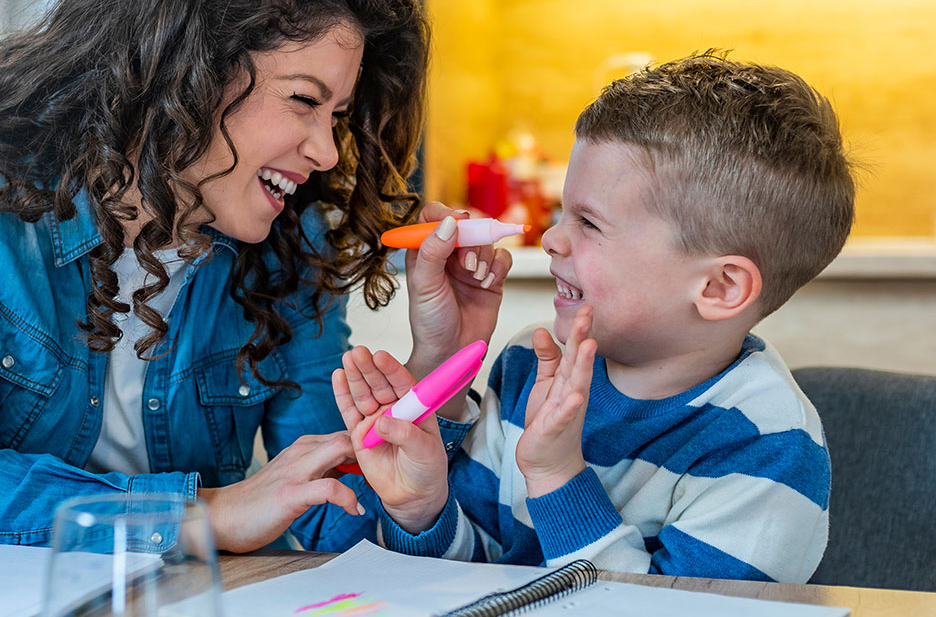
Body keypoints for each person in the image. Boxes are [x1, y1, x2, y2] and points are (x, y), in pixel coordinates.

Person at [0, 0, 511, 558]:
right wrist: (201, 516)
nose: (326, 150)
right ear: (188, 72)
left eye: (335, 116)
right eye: (303, 100)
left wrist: (436, 368)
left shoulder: (289, 232)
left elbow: (330, 512)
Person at [335, 52, 856, 581]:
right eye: (563, 213)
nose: (552, 238)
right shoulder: (526, 367)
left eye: (589, 222)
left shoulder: (767, 444)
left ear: (720, 287)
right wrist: (421, 510)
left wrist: (557, 475)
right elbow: (471, 578)